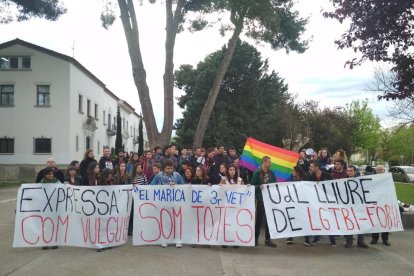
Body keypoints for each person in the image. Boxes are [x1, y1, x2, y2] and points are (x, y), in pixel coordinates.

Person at [150, 159, 184, 248]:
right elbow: (151, 186)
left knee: (176, 221)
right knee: (165, 221)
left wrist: (176, 186)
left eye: (171, 168)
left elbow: (183, 186)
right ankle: (165, 239)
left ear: (173, 168)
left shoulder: (177, 176)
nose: (169, 170)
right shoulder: (158, 176)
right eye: (168, 168)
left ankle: (177, 240)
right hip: (163, 203)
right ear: (164, 168)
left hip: (175, 203)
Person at [307, 160, 336, 246]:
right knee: (317, 220)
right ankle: (316, 238)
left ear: (317, 167)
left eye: (312, 166)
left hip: (327, 202)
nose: (310, 168)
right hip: (315, 202)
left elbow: (332, 187)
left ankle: (332, 239)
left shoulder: (327, 176)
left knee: (329, 220)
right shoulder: (310, 177)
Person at [251, 156, 277, 247]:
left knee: (269, 219)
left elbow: (274, 184)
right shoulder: (257, 173)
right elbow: (252, 185)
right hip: (261, 199)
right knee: (258, 219)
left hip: (269, 199)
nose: (270, 164)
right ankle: (255, 239)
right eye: (269, 162)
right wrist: (259, 187)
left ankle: (268, 239)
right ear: (264, 162)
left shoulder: (271, 173)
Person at [344, 165, 369, 249]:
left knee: (360, 223)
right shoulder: (343, 181)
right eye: (348, 171)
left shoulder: (360, 180)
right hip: (348, 205)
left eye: (351, 170)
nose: (349, 172)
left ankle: (360, 241)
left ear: (355, 171)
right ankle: (349, 241)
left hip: (359, 205)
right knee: (349, 223)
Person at [286, 165, 311, 246]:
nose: (292, 172)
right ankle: (290, 237)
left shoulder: (305, 179)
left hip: (302, 202)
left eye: (293, 171)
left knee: (304, 220)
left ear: (298, 172)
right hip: (292, 201)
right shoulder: (291, 178)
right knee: (292, 219)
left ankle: (307, 239)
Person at [371, 165, 391, 246]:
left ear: (384, 170)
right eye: (378, 170)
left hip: (385, 203)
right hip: (375, 203)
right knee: (375, 221)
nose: (379, 171)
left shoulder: (387, 179)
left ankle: (385, 239)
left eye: (381, 170)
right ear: (376, 171)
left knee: (385, 222)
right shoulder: (372, 178)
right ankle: (374, 239)